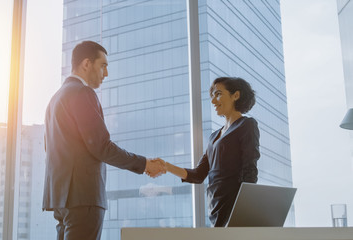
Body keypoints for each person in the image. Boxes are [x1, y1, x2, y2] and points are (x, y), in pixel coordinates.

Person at [42, 41, 166, 240]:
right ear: (86, 64)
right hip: (83, 198)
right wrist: (144, 164)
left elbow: (50, 149)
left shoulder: (54, 100)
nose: (106, 73)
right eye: (103, 65)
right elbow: (101, 146)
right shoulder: (82, 93)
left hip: (60, 198)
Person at [164, 77, 260, 227]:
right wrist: (166, 166)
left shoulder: (246, 124)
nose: (214, 101)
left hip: (234, 205)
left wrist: (244, 210)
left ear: (236, 95)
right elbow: (198, 175)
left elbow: (250, 169)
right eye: (213, 96)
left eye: (218, 94)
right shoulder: (214, 136)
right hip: (215, 207)